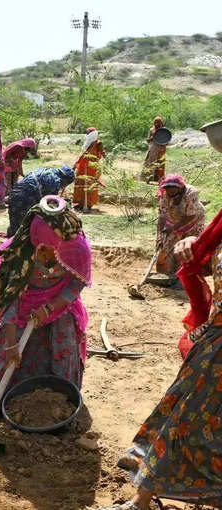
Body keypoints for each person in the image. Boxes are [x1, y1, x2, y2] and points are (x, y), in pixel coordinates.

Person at [96, 209, 222, 510]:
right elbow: (206, 264)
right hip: (213, 348)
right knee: (180, 416)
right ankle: (141, 501)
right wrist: (193, 243)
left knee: (189, 421)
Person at [0, 196, 91, 410]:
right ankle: (2, 398)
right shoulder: (21, 253)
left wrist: (50, 307)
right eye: (41, 249)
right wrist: (10, 344)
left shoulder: (76, 248)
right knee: (9, 359)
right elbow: (10, 298)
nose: (44, 255)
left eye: (49, 249)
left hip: (60, 309)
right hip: (21, 309)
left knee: (62, 353)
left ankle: (59, 401)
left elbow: (76, 284)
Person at [155, 174, 206, 285]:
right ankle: (171, 274)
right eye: (168, 192)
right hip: (175, 219)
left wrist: (173, 228)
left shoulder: (191, 193)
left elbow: (190, 216)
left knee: (190, 248)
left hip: (194, 221)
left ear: (180, 188)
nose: (171, 195)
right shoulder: (164, 194)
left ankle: (187, 277)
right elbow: (162, 215)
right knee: (168, 245)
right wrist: (159, 236)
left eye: (173, 193)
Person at [6, 166, 75, 238]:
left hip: (14, 196)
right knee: (24, 229)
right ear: (65, 180)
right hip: (25, 201)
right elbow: (49, 204)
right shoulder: (55, 181)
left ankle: (8, 245)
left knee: (14, 225)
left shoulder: (43, 170)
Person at [73, 127, 105, 212]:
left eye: (88, 133)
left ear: (92, 134)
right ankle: (80, 204)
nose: (86, 134)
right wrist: (75, 164)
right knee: (80, 184)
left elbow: (103, 153)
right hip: (82, 168)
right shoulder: (86, 143)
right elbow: (82, 154)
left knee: (89, 186)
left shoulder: (98, 143)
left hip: (92, 168)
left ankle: (89, 204)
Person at [143, 116, 167, 183]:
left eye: (158, 122)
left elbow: (167, 140)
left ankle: (159, 180)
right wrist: (153, 137)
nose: (157, 123)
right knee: (151, 163)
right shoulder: (151, 130)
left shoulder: (164, 130)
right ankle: (148, 179)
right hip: (153, 148)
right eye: (155, 122)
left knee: (161, 164)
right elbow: (148, 141)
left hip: (162, 149)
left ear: (161, 122)